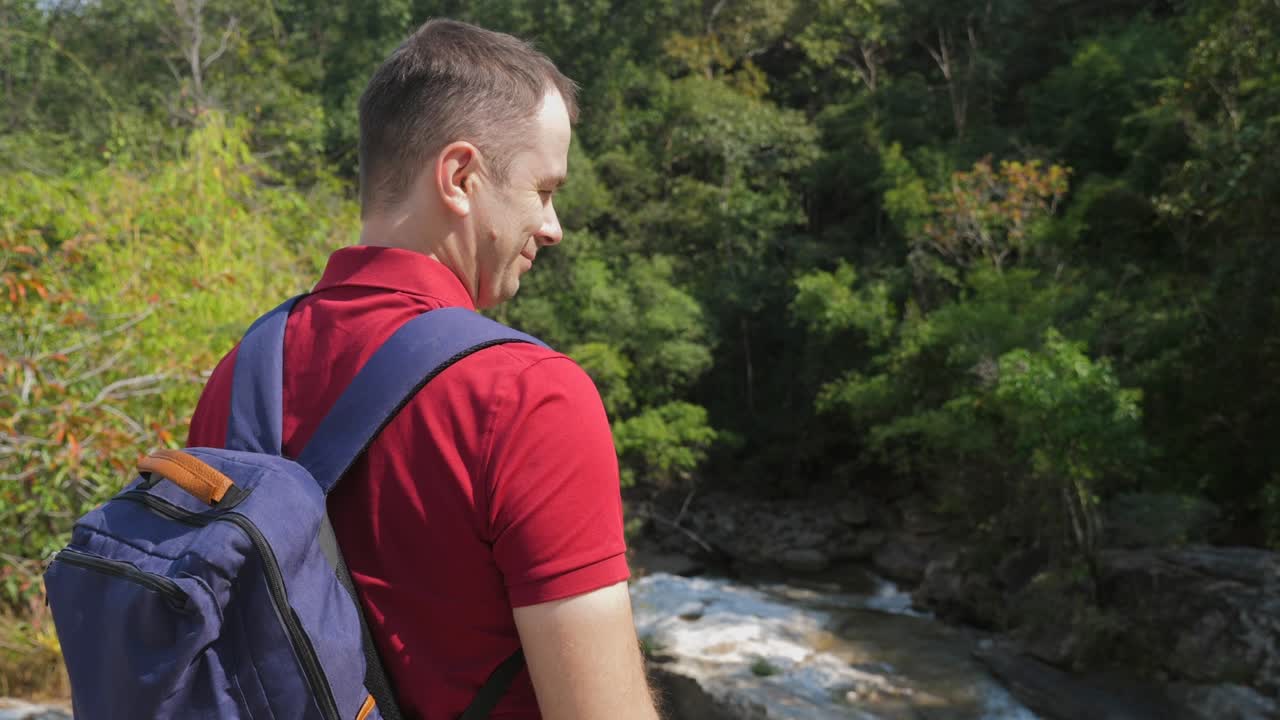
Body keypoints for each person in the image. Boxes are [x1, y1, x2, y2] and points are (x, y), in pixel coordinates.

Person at [187, 18, 662, 720]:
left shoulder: (239, 374)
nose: (554, 226)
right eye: (544, 189)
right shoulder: (530, 397)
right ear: (460, 176)